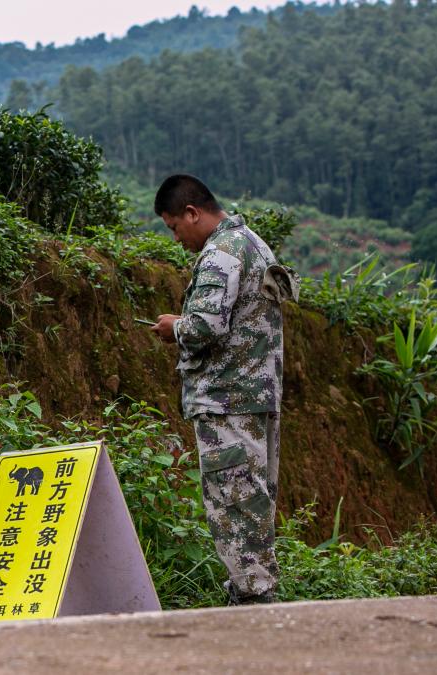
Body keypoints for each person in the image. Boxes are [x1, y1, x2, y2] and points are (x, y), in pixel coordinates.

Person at [147, 174, 297, 605]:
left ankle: (252, 600)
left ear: (192, 213)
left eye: (175, 227)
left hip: (227, 401)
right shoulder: (254, 243)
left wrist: (175, 327)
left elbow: (205, 326)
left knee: (234, 504)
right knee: (253, 501)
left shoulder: (221, 253)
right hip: (256, 397)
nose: (177, 239)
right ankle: (252, 594)